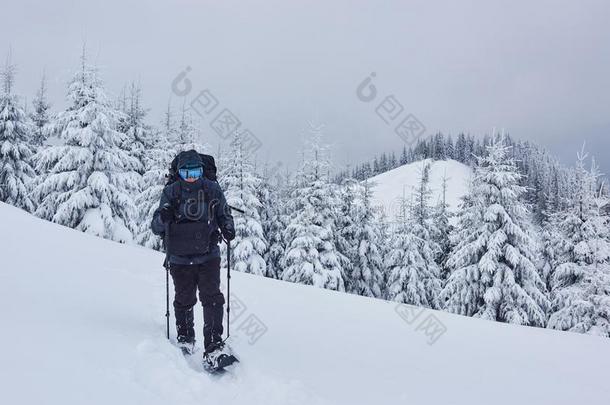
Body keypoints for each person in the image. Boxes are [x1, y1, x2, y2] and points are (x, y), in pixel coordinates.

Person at [151, 150, 235, 363]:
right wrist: (164, 216)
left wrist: (227, 226)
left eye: (196, 172)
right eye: (186, 172)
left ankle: (214, 345)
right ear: (179, 172)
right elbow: (156, 226)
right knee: (184, 298)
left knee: (212, 298)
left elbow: (224, 212)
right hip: (180, 258)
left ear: (202, 171)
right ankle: (186, 337)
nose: (191, 177)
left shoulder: (212, 189)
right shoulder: (171, 191)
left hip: (208, 255)